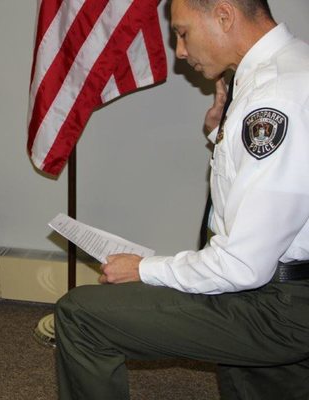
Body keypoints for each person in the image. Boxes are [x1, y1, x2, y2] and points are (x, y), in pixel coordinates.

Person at [55, 1, 309, 399]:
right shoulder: (291, 65)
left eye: (183, 32)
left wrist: (144, 269)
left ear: (224, 16)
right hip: (288, 283)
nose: (180, 52)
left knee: (81, 315)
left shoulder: (274, 96)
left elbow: (243, 266)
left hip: (278, 306)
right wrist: (220, 135)